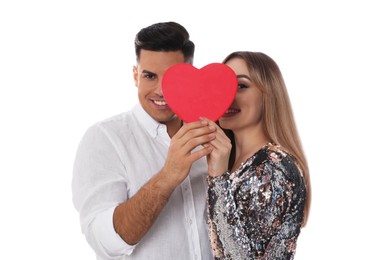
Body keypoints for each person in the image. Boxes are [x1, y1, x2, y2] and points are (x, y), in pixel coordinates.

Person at [72, 21, 216, 260]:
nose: (161, 91)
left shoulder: (212, 136)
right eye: (150, 76)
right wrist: (168, 176)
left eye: (173, 78)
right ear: (135, 75)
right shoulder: (104, 139)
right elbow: (105, 242)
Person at [203, 51, 311, 259]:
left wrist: (218, 180)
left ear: (269, 93)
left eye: (241, 86)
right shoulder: (228, 162)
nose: (227, 96)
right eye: (222, 86)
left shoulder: (275, 168)